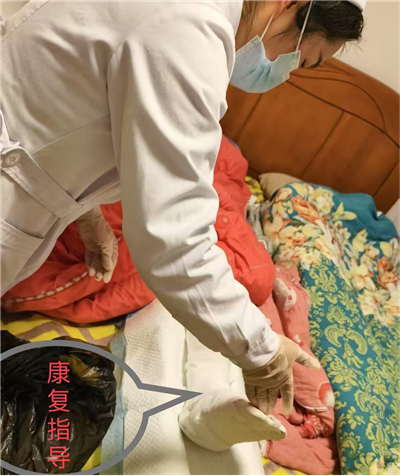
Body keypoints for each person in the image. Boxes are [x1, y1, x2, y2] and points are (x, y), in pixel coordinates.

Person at [1, 0, 365, 415]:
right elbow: (175, 242)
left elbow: (62, 107)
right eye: (300, 58)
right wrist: (262, 351)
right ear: (292, 4)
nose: (285, 70)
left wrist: (89, 215)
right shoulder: (188, 30)